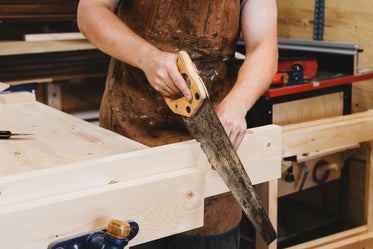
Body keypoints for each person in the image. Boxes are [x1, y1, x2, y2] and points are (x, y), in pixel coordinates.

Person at [77, 0, 278, 248]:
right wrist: (147, 58)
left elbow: (263, 47)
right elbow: (90, 11)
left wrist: (237, 103)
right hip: (130, 142)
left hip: (211, 154)